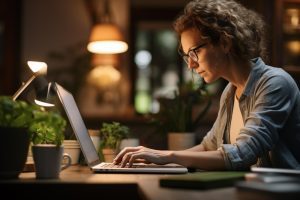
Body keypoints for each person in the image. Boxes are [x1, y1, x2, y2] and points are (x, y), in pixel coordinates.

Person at [114, 0, 300, 170]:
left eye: (194, 52)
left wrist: (167, 155)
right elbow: (207, 146)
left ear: (225, 42)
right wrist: (154, 158)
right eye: (187, 56)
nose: (190, 64)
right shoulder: (230, 91)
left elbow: (243, 154)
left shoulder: (275, 83)